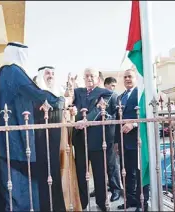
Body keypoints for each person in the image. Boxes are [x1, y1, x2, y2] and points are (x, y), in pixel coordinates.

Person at [0, 42, 65, 211]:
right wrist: (59, 101)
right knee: (19, 187)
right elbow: (35, 93)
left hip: (8, 135)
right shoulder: (13, 71)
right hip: (16, 139)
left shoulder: (3, 72)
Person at [34, 65, 82, 211]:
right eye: (47, 73)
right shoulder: (37, 93)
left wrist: (72, 111)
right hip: (42, 141)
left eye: (53, 73)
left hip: (62, 141)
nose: (50, 76)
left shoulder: (58, 92)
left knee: (63, 172)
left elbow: (65, 114)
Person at [72, 68, 117, 211]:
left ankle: (102, 202)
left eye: (92, 76)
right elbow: (70, 104)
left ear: (98, 78)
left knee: (99, 173)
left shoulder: (106, 93)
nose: (89, 78)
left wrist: (83, 120)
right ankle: (83, 203)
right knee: (81, 173)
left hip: (98, 140)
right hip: (80, 141)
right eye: (86, 76)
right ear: (83, 78)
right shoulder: (78, 93)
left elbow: (100, 110)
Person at [115, 69, 149, 212]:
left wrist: (134, 124)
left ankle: (143, 202)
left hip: (137, 140)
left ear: (136, 78)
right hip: (124, 142)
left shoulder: (140, 94)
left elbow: (146, 114)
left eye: (130, 77)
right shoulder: (120, 96)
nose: (128, 79)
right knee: (127, 172)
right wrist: (117, 142)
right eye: (125, 77)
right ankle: (129, 200)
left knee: (140, 171)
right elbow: (118, 121)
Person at [90, 76, 122, 202]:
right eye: (110, 86)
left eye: (114, 86)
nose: (112, 89)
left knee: (111, 164)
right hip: (97, 136)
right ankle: (99, 189)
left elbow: (117, 116)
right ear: (105, 85)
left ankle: (116, 190)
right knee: (99, 166)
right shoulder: (99, 96)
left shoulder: (115, 97)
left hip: (110, 136)